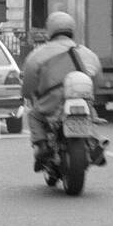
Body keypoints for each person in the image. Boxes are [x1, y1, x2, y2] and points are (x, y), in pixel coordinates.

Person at [22, 11, 106, 169]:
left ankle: (42, 147)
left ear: (50, 30)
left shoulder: (38, 55)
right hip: (83, 101)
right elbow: (98, 81)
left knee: (33, 115)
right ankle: (95, 143)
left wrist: (28, 95)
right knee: (89, 116)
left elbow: (29, 83)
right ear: (72, 29)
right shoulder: (88, 53)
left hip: (52, 102)